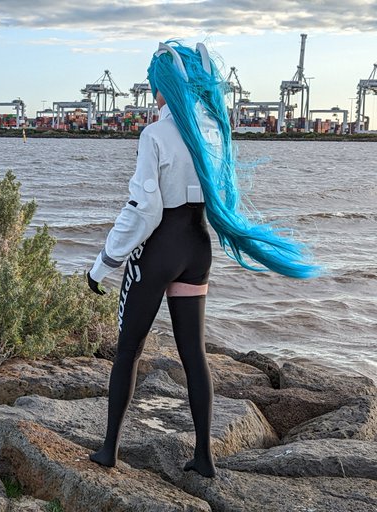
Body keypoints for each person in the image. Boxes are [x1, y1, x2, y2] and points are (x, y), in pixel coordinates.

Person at [86, 40, 320, 478]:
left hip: (159, 247)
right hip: (198, 245)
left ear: (164, 85)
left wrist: (104, 263)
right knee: (194, 354)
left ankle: (109, 450)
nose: (153, 92)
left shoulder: (155, 134)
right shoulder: (214, 130)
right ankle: (204, 457)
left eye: (154, 84)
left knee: (129, 349)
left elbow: (143, 211)